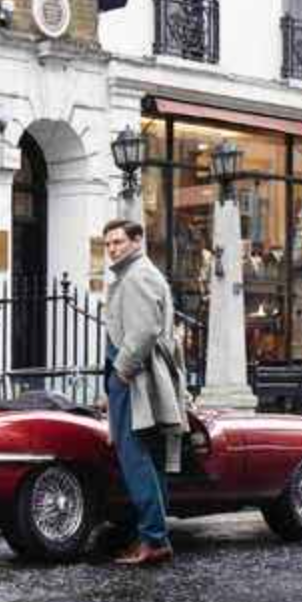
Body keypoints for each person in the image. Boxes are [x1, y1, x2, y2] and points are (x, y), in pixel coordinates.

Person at [101, 217, 190, 566]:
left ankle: (153, 539)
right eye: (108, 244)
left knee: (135, 458)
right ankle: (152, 537)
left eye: (118, 242)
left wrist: (120, 375)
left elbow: (143, 332)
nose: (112, 249)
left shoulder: (138, 276)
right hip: (135, 378)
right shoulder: (133, 274)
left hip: (136, 381)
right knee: (149, 460)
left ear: (137, 241)